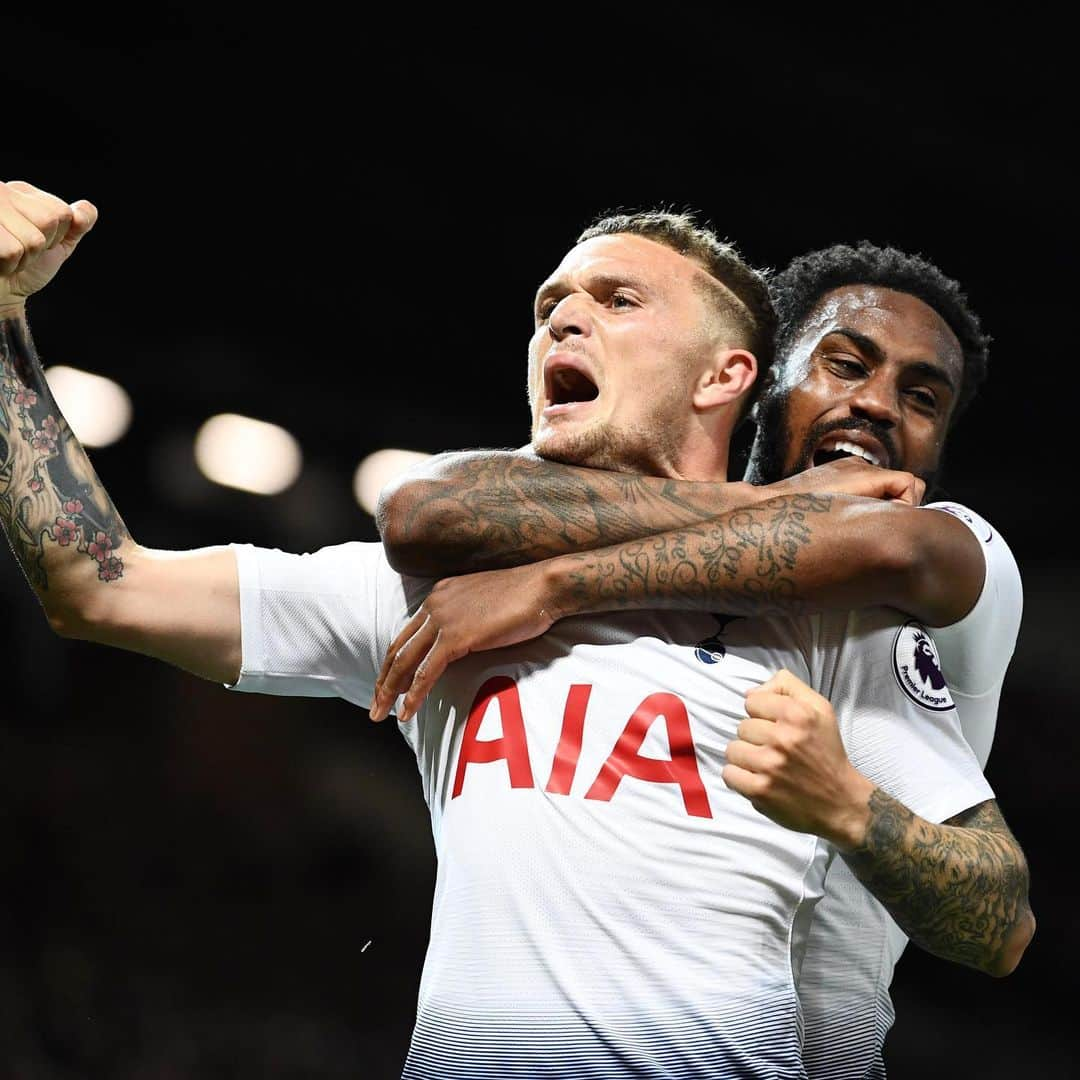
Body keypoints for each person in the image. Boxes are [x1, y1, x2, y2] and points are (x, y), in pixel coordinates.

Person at [0, 182, 1029, 1079]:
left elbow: (998, 913)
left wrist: (849, 805)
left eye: (617, 301)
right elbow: (99, 586)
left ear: (726, 376)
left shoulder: (829, 627)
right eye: (550, 307)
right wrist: (2, 318)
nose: (563, 322)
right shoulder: (435, 596)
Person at [370, 237, 1031, 1074]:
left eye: (922, 397)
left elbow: (1004, 922)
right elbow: (426, 512)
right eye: (844, 365)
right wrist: (764, 502)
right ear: (759, 382)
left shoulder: (931, 573)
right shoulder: (712, 557)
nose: (877, 406)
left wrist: (552, 584)